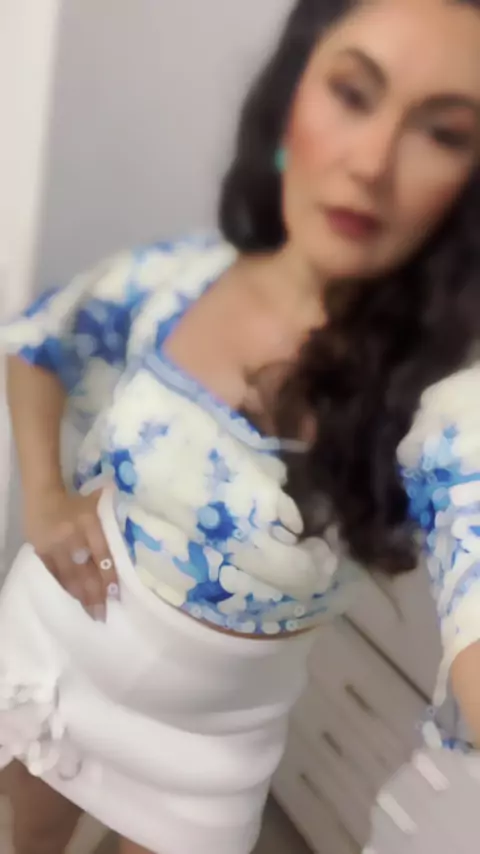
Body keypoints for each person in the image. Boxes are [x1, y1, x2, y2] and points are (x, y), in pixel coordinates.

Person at [1, 0, 480, 852]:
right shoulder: (183, 276)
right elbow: (37, 341)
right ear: (292, 97)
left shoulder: (443, 403)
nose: (372, 163)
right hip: (51, 657)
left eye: (443, 133)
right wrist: (42, 494)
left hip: (206, 757)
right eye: (353, 94)